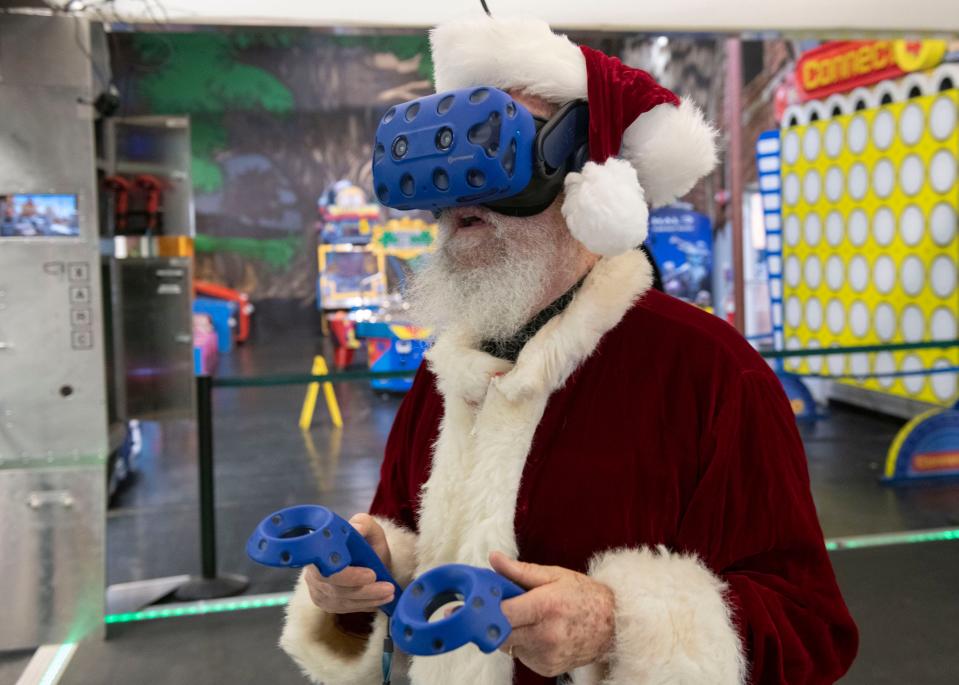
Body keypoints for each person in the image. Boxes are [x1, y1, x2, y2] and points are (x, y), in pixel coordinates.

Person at [280, 15, 858, 685]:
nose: (459, 191)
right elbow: (403, 542)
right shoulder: (451, 368)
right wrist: (366, 576)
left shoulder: (709, 373)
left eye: (498, 144)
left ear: (588, 178)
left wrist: (615, 628)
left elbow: (809, 626)